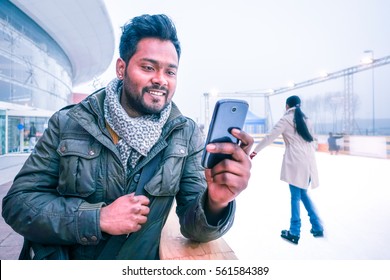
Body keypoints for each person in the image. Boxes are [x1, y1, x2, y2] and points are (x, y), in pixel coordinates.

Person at [2, 14, 253, 260]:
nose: (160, 80)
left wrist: (216, 203)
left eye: (170, 72)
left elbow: (193, 227)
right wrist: (97, 219)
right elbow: (18, 203)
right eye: (148, 67)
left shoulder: (184, 134)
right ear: (121, 68)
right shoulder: (70, 122)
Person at [250, 95, 323, 245]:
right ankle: (317, 226)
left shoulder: (286, 120)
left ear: (286, 106)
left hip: (296, 161)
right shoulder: (307, 120)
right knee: (302, 194)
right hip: (309, 161)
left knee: (295, 196)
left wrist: (255, 151)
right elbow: (312, 140)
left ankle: (295, 232)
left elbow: (270, 137)